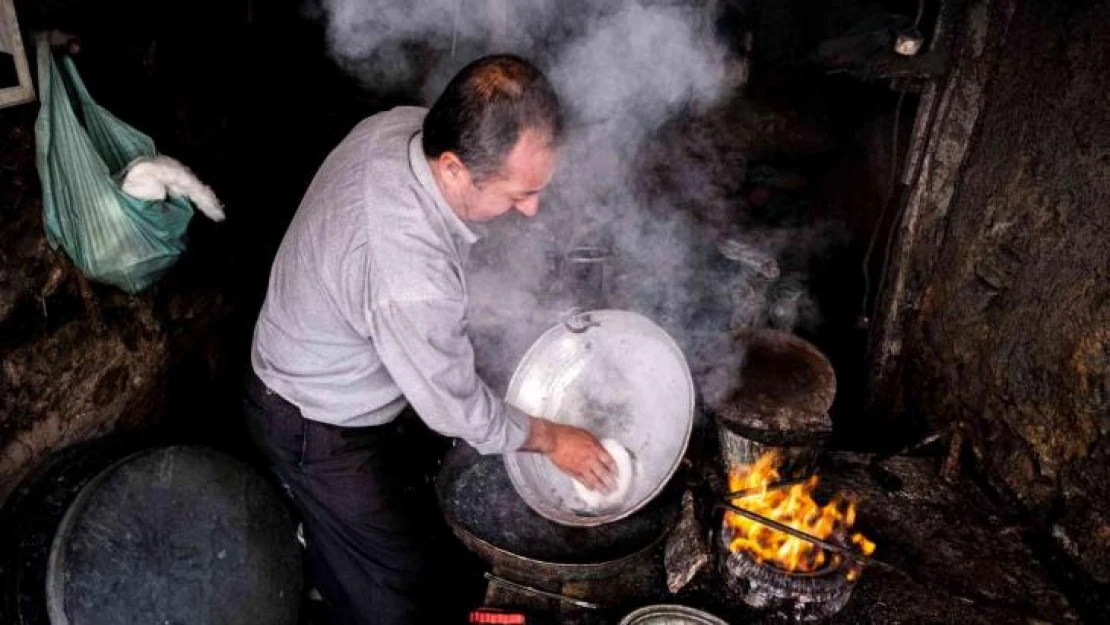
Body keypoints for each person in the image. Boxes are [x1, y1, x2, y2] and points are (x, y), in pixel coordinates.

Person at [242, 54, 616, 625]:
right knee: (393, 589)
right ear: (452, 170)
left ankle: (329, 541)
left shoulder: (399, 127)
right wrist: (553, 438)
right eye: (517, 196)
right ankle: (326, 562)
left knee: (397, 521)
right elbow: (458, 412)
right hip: (312, 420)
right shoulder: (410, 281)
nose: (533, 209)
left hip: (334, 356)